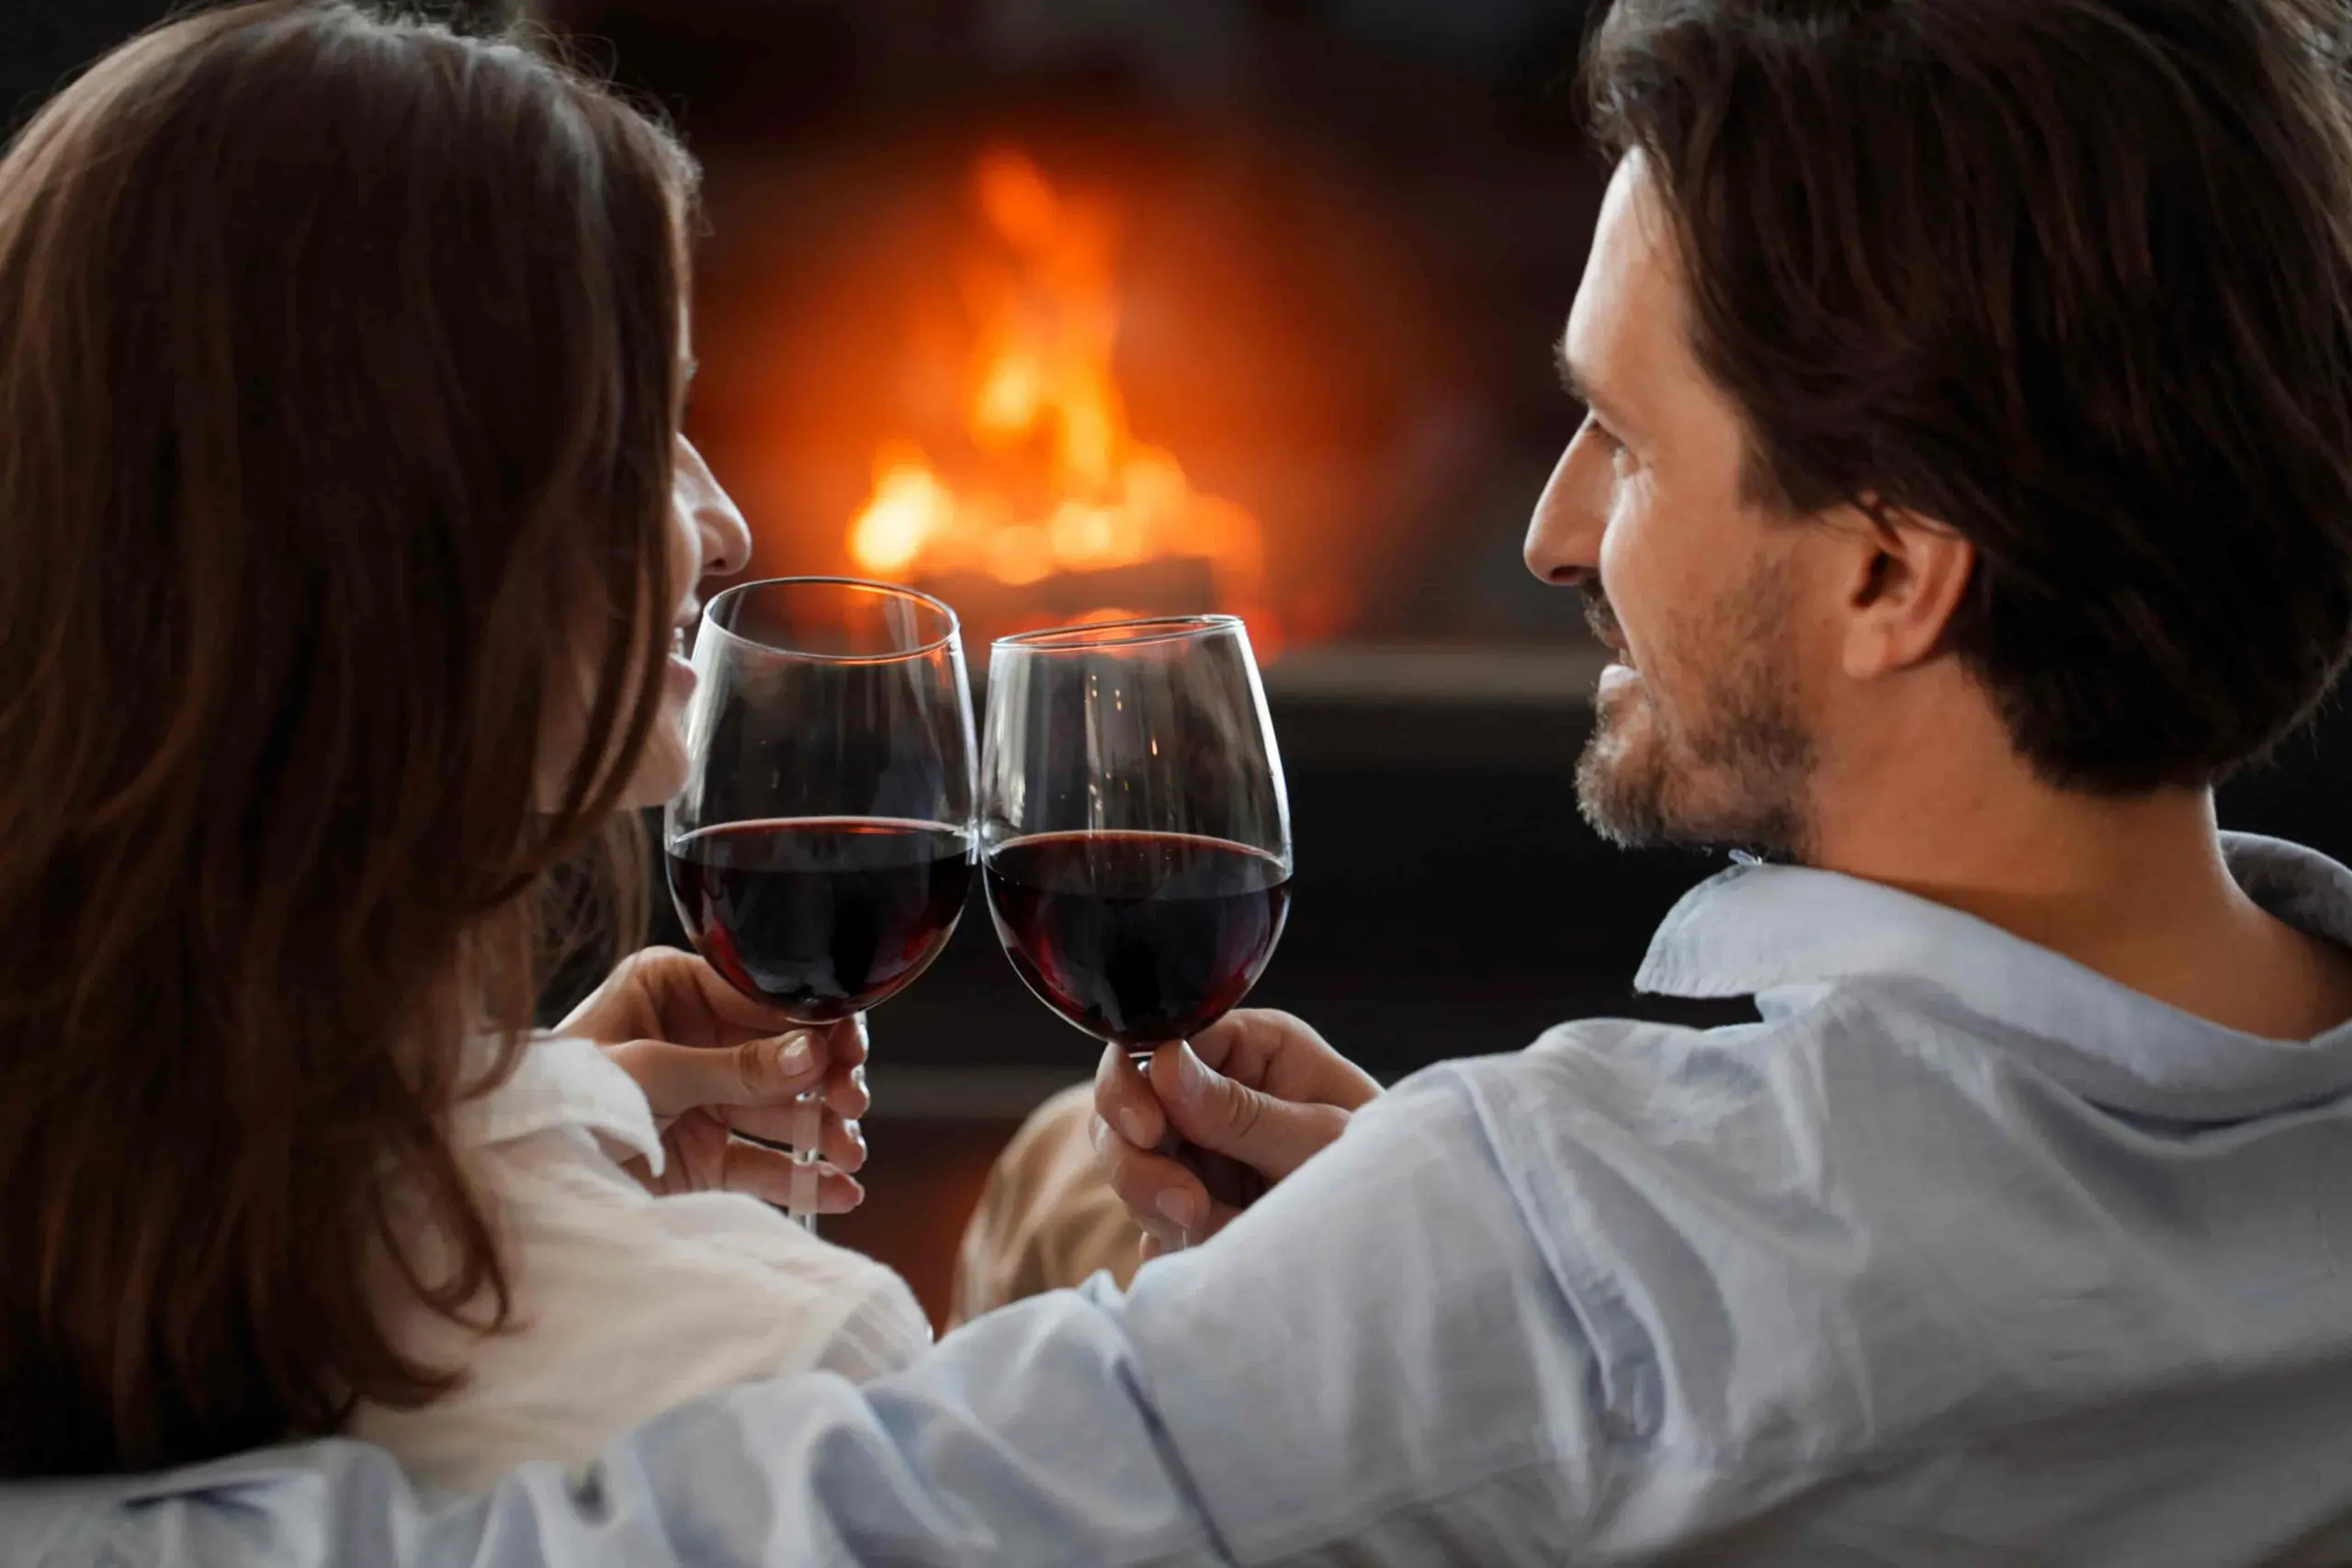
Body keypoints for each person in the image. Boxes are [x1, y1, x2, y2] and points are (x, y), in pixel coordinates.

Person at [15, 0, 2352, 1562]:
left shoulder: (1565, 1253)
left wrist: (1418, 1293)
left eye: (1622, 444)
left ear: (1885, 572)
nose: (1541, 529)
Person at [0, 0, 933, 1499]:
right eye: (641, 430)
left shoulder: (103, 1258)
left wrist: (521, 1114)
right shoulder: (770, 1384)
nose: (723, 525)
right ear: (413, 548)